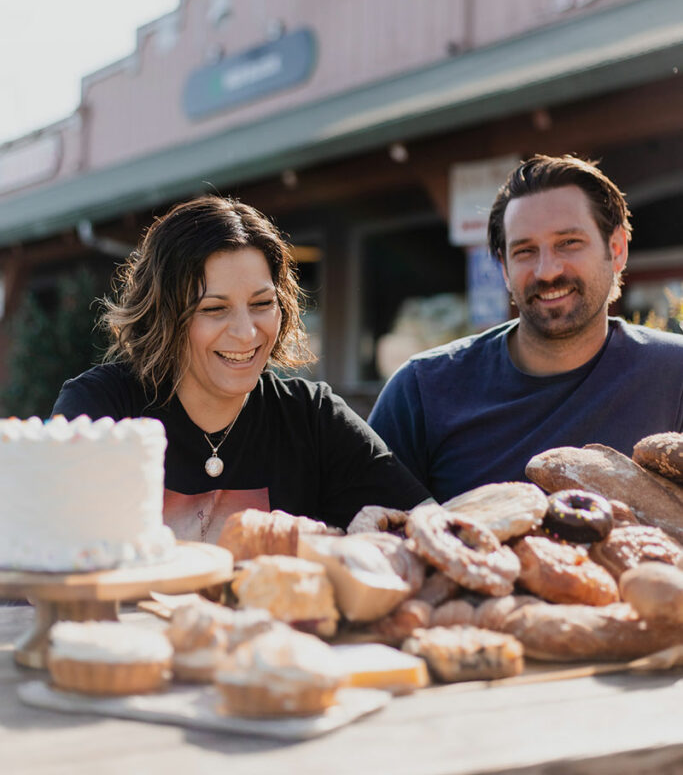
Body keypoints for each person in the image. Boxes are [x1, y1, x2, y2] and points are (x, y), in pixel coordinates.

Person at [52, 196, 428, 539]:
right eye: (214, 309)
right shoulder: (103, 408)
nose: (247, 332)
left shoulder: (312, 417)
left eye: (263, 303)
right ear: (163, 316)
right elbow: (52, 549)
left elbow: (426, 527)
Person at [368, 154, 683, 503]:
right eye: (525, 250)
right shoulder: (421, 392)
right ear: (504, 268)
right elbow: (369, 536)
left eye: (568, 242)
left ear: (617, 249)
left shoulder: (675, 375)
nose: (547, 271)